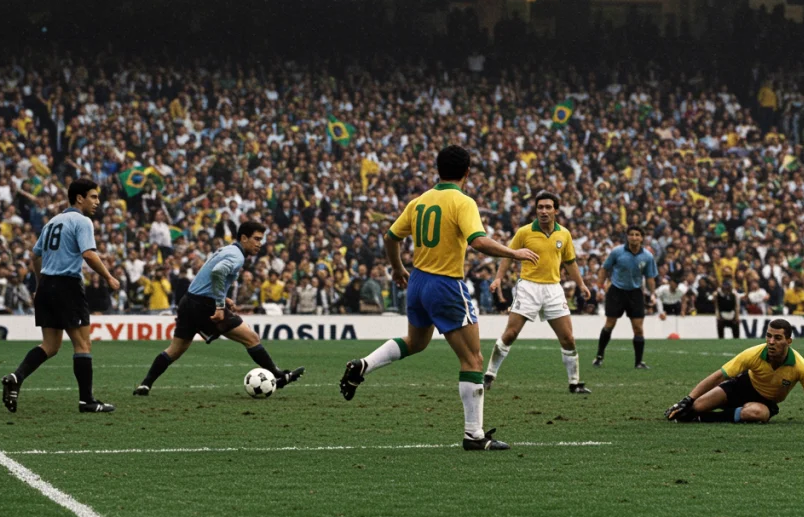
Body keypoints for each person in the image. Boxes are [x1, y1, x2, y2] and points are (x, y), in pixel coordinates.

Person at [338, 145, 539, 451]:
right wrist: (514, 253)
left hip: (418, 282)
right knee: (473, 359)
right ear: (467, 172)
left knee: (416, 342)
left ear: (438, 169)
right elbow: (478, 241)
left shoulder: (419, 201)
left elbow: (391, 237)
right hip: (445, 284)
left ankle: (362, 366)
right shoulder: (462, 201)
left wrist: (397, 268)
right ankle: (474, 435)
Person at [133, 221, 304, 395]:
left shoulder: (226, 250)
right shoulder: (237, 256)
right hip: (205, 305)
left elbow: (206, 277)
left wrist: (223, 297)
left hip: (188, 301)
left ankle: (145, 384)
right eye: (257, 239)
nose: (260, 244)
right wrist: (220, 306)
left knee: (175, 350)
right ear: (244, 238)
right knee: (251, 338)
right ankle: (279, 377)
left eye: (261, 239)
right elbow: (218, 272)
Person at [1, 178, 119, 414]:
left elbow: (35, 255)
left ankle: (16, 377)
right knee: (83, 344)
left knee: (50, 345)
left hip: (47, 285)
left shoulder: (52, 222)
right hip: (67, 285)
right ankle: (86, 401)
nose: (97, 201)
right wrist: (109, 277)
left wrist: (39, 284)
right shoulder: (82, 221)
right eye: (93, 197)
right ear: (79, 198)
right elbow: (88, 254)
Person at [485, 191, 592, 394]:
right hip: (528, 287)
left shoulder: (564, 234)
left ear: (556, 210)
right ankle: (489, 374)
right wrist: (498, 278)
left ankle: (574, 383)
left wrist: (581, 284)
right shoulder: (524, 232)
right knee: (511, 333)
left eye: (548, 207)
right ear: (536, 210)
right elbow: (508, 256)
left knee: (568, 338)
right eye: (540, 207)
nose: (543, 211)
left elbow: (570, 262)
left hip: (553, 289)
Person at [664, 319, 804, 425]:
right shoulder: (753, 354)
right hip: (740, 387)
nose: (771, 342)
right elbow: (719, 375)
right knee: (694, 406)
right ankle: (693, 412)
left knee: (757, 414)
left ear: (789, 341)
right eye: (769, 336)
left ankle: (703, 418)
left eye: (778, 338)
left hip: (765, 401)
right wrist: (688, 399)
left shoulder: (801, 366)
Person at [593, 226, 658, 369]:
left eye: (637, 235)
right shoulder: (617, 252)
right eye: (631, 235)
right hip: (616, 291)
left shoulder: (647, 256)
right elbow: (604, 269)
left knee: (638, 328)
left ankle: (639, 362)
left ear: (642, 238)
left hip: (635, 293)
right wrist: (599, 288)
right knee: (610, 324)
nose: (634, 237)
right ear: (627, 237)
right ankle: (599, 356)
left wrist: (653, 293)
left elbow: (650, 277)